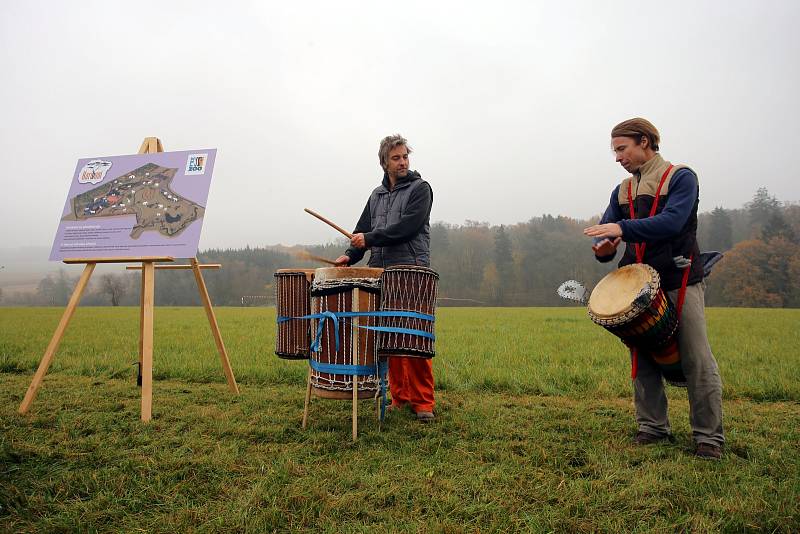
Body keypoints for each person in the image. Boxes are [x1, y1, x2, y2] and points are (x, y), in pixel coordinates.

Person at [583, 118, 724, 459]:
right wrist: (605, 249)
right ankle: (653, 427)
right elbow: (608, 237)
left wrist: (620, 227)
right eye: (614, 151)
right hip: (635, 286)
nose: (618, 157)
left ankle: (708, 437)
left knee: (696, 357)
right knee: (642, 356)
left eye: (622, 149)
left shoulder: (681, 177)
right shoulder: (621, 191)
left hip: (680, 278)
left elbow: (672, 222)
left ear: (644, 141)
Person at [334, 134, 436, 422]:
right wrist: (349, 256)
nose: (402, 161)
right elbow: (361, 231)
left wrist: (368, 237)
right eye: (396, 157)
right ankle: (400, 397)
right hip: (380, 270)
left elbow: (407, 228)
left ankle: (423, 402)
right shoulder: (376, 196)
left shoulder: (421, 189)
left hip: (411, 269)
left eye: (405, 156)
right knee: (390, 335)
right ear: (384, 162)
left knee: (415, 335)